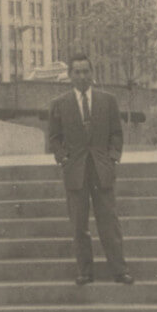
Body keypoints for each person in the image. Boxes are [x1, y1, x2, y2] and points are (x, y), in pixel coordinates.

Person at [48, 53, 134, 286]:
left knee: (109, 222)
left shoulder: (108, 101)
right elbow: (54, 138)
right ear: (70, 76)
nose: (82, 76)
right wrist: (64, 159)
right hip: (75, 172)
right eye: (77, 72)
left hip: (101, 170)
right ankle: (84, 272)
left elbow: (116, 133)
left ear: (92, 74)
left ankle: (119, 270)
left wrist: (113, 158)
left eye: (86, 71)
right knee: (79, 224)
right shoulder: (60, 104)